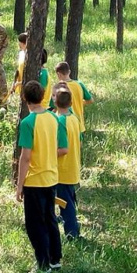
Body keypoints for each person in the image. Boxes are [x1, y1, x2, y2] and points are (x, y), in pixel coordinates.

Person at [16, 81, 68, 273]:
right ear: (43, 96)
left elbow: (25, 157)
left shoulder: (28, 123)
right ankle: (56, 259)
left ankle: (43, 264)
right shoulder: (54, 119)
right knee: (50, 219)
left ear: (25, 98)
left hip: (35, 180)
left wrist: (19, 185)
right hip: (52, 178)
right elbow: (61, 148)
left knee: (35, 224)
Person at [53, 85, 83, 239]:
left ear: (55, 102)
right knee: (69, 199)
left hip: (63, 170)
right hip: (73, 166)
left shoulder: (60, 121)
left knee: (66, 203)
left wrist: (48, 155)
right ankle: (67, 222)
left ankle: (72, 233)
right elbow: (80, 141)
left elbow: (63, 149)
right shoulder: (74, 118)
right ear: (71, 103)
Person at [10, 32, 51, 107]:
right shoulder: (22, 54)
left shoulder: (43, 73)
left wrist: (19, 84)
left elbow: (39, 88)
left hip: (41, 105)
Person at [53, 62, 94, 132]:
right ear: (69, 72)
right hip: (78, 123)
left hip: (64, 122)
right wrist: (80, 103)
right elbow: (90, 100)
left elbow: (54, 108)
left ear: (58, 74)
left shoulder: (59, 88)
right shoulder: (79, 84)